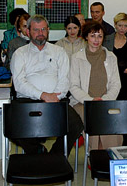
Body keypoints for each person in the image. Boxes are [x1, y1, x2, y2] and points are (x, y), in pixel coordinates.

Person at [10, 14, 83, 156]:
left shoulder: (58, 51)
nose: (40, 33)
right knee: (13, 125)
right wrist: (42, 95)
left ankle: (55, 156)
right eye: (36, 30)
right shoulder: (20, 54)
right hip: (27, 100)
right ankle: (38, 152)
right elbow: (19, 83)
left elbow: (64, 79)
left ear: (48, 30)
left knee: (75, 124)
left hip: (56, 100)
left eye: (43, 29)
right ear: (28, 31)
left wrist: (55, 96)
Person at [69, 21, 123, 149]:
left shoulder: (111, 57)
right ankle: (94, 154)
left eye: (100, 36)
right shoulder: (76, 58)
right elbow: (73, 86)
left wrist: (104, 99)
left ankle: (111, 155)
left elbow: (116, 84)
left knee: (114, 118)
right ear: (86, 37)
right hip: (82, 103)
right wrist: (91, 100)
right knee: (94, 117)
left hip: (106, 102)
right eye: (93, 36)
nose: (96, 40)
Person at [103, 13, 127, 100]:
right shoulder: (105, 40)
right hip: (109, 76)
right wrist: (122, 69)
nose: (122, 28)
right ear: (115, 25)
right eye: (120, 25)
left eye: (125, 26)